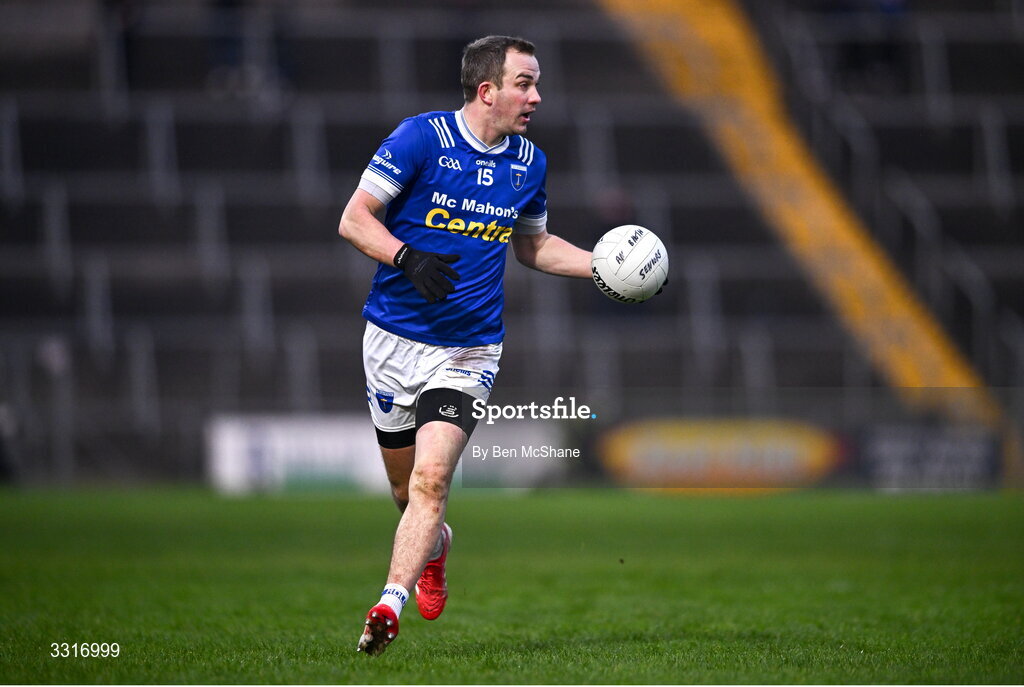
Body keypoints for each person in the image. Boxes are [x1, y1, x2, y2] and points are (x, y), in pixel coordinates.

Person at [338, 35, 594, 656]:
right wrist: (407, 256)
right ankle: (436, 548)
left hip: (470, 350)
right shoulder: (420, 139)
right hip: (393, 340)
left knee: (430, 481)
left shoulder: (529, 162)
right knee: (405, 496)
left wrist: (601, 266)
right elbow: (354, 218)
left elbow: (530, 245)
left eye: (536, 84)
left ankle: (386, 605)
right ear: (488, 91)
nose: (536, 96)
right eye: (525, 83)